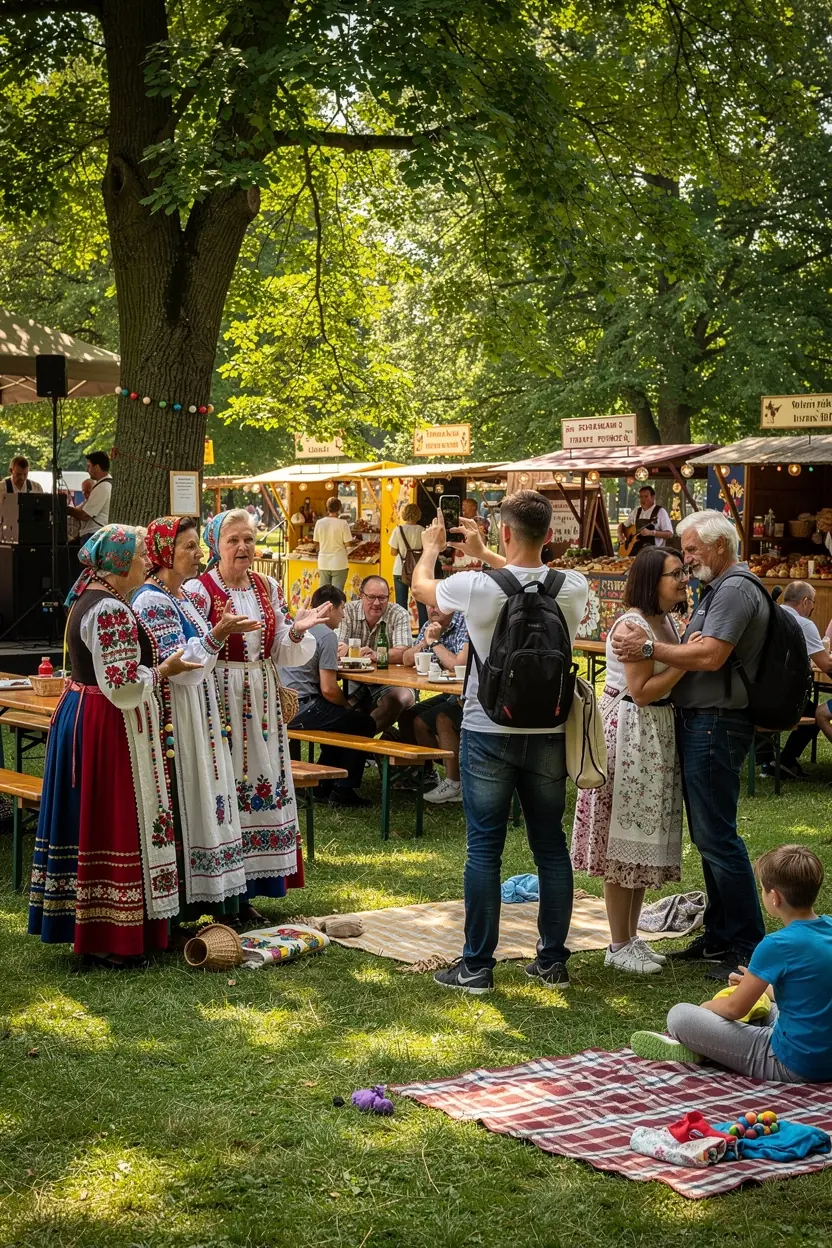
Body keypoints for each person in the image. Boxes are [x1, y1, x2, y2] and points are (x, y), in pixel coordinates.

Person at [412, 490, 588, 993]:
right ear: (550, 536)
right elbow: (528, 576)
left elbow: (424, 587)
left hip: (488, 729)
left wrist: (432, 546)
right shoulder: (573, 587)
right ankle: (552, 961)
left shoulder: (477, 587)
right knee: (550, 846)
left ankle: (476, 967)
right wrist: (490, 552)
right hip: (550, 732)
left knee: (485, 847)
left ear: (505, 532)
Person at [28, 525, 201, 967]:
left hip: (89, 714)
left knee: (96, 817)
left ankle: (102, 928)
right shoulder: (108, 609)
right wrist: (165, 669)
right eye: (141, 554)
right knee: (112, 817)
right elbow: (122, 685)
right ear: (121, 562)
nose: (147, 561)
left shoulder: (93, 598)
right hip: (109, 723)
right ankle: (110, 934)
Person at [611, 509, 768, 980]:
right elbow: (655, 678)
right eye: (677, 566)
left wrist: (650, 651)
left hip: (715, 724)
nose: (687, 563)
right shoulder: (716, 591)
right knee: (710, 837)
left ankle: (744, 945)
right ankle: (720, 936)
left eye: (692, 552)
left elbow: (710, 653)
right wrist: (657, 652)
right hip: (693, 725)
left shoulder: (735, 589)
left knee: (717, 837)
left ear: (720, 546)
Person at [188, 509, 331, 909]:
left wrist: (299, 629)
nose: (243, 547)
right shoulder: (199, 592)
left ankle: (252, 889)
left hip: (262, 693)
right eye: (233, 540)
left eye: (249, 539)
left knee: (262, 780)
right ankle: (223, 893)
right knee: (226, 781)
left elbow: (282, 644)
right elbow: (193, 651)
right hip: (220, 693)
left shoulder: (267, 585)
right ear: (215, 546)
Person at [133, 517, 262, 927]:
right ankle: (182, 906)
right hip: (178, 718)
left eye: (196, 546)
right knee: (189, 802)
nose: (198, 554)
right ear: (163, 553)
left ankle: (223, 898)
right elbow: (182, 667)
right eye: (188, 547)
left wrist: (217, 633)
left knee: (212, 802)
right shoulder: (152, 600)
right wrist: (219, 633)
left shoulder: (181, 598)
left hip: (200, 713)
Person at [572, 547, 691, 974]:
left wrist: (682, 654)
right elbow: (641, 690)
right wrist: (686, 663)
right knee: (622, 836)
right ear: (650, 580)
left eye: (683, 573)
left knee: (640, 841)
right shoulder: (632, 624)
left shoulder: (665, 621)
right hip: (630, 731)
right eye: (675, 574)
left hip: (653, 733)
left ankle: (632, 938)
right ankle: (618, 942)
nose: (683, 580)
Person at [631, 845, 832, 1083]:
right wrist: (756, 985)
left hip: (793, 1063)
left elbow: (735, 1009)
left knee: (680, 1016)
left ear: (775, 897)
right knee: (769, 1006)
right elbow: (811, 992)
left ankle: (700, 1048)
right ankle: (711, 1043)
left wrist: (706, 1008)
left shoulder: (776, 945)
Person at [281, 584, 377, 807]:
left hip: (284, 705)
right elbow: (328, 689)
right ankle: (343, 789)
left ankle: (324, 785)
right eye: (342, 609)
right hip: (303, 707)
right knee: (363, 723)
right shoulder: (326, 635)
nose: (343, 615)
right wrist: (345, 705)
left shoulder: (294, 627)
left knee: (341, 723)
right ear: (331, 608)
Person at [398, 604, 469, 803]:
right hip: (448, 691)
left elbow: (458, 664)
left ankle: (454, 780)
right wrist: (424, 643)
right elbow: (406, 659)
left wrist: (435, 642)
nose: (432, 609)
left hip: (468, 693)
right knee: (410, 716)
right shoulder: (431, 625)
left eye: (438, 605)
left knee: (442, 718)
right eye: (429, 605)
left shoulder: (465, 622)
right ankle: (428, 773)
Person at [337, 575, 415, 731]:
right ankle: (357, 748)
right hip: (355, 679)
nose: (377, 603)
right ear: (361, 595)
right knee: (342, 710)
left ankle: (360, 744)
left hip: (390, 680)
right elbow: (338, 649)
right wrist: (357, 653)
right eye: (371, 597)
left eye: (382, 598)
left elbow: (404, 653)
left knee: (399, 700)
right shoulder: (348, 611)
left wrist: (376, 655)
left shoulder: (398, 614)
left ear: (389, 597)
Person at [773, 581, 832, 779]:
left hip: (757, 693)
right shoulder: (803, 624)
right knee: (816, 715)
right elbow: (827, 665)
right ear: (805, 602)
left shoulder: (770, 615)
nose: (812, 610)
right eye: (813, 606)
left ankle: (768, 758)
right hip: (784, 698)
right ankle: (786, 760)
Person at [389, 503, 427, 629]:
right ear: (418, 515)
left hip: (400, 570)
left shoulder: (398, 530)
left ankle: (401, 632)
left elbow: (393, 552)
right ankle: (423, 632)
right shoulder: (423, 531)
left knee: (400, 604)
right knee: (421, 603)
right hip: (418, 571)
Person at [67, 451, 112, 539]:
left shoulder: (103, 486)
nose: (87, 470)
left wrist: (66, 509)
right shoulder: (103, 484)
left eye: (89, 466)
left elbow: (85, 515)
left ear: (97, 467)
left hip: (95, 534)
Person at [313, 497, 355, 591]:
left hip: (323, 562)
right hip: (339, 562)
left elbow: (316, 542)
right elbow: (348, 544)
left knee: (324, 593)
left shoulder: (319, 523)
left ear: (327, 508)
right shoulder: (343, 523)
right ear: (339, 508)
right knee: (337, 593)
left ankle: (324, 606)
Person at [617, 485, 673, 553]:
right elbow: (622, 525)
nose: (643, 499)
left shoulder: (660, 512)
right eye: (641, 497)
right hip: (636, 551)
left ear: (653, 497)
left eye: (646, 496)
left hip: (655, 552)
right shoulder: (636, 511)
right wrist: (620, 535)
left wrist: (651, 533)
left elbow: (669, 534)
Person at [66, 478, 93, 543]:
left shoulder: (93, 502)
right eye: (83, 491)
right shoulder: (85, 502)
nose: (85, 494)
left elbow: (83, 515)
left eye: (88, 491)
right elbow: (78, 510)